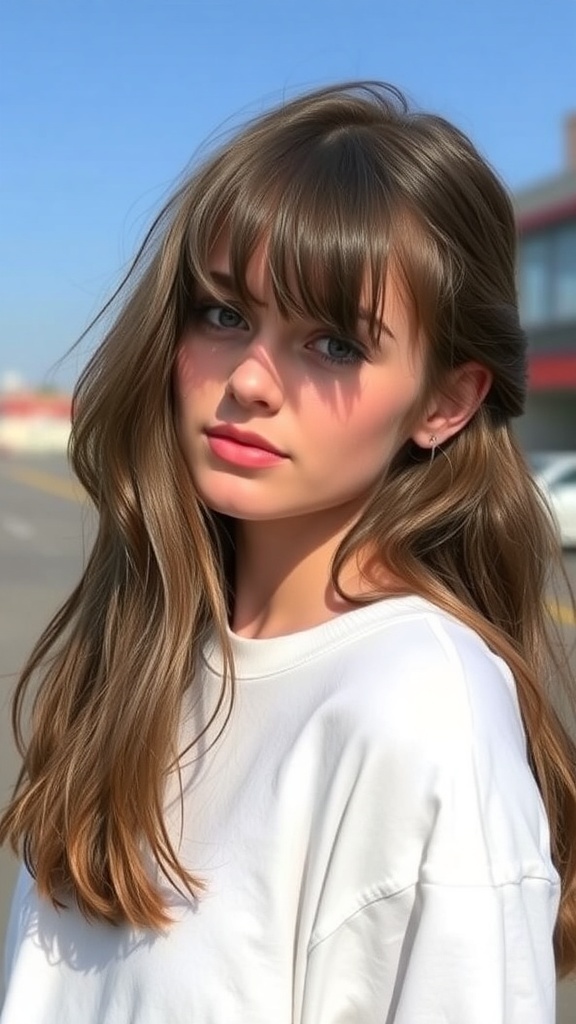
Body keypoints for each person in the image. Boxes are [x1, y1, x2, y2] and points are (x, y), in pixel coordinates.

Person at [1, 80, 575, 1024]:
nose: (252, 381)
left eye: (334, 344)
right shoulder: (153, 640)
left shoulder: (420, 711)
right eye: (224, 315)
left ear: (446, 402)